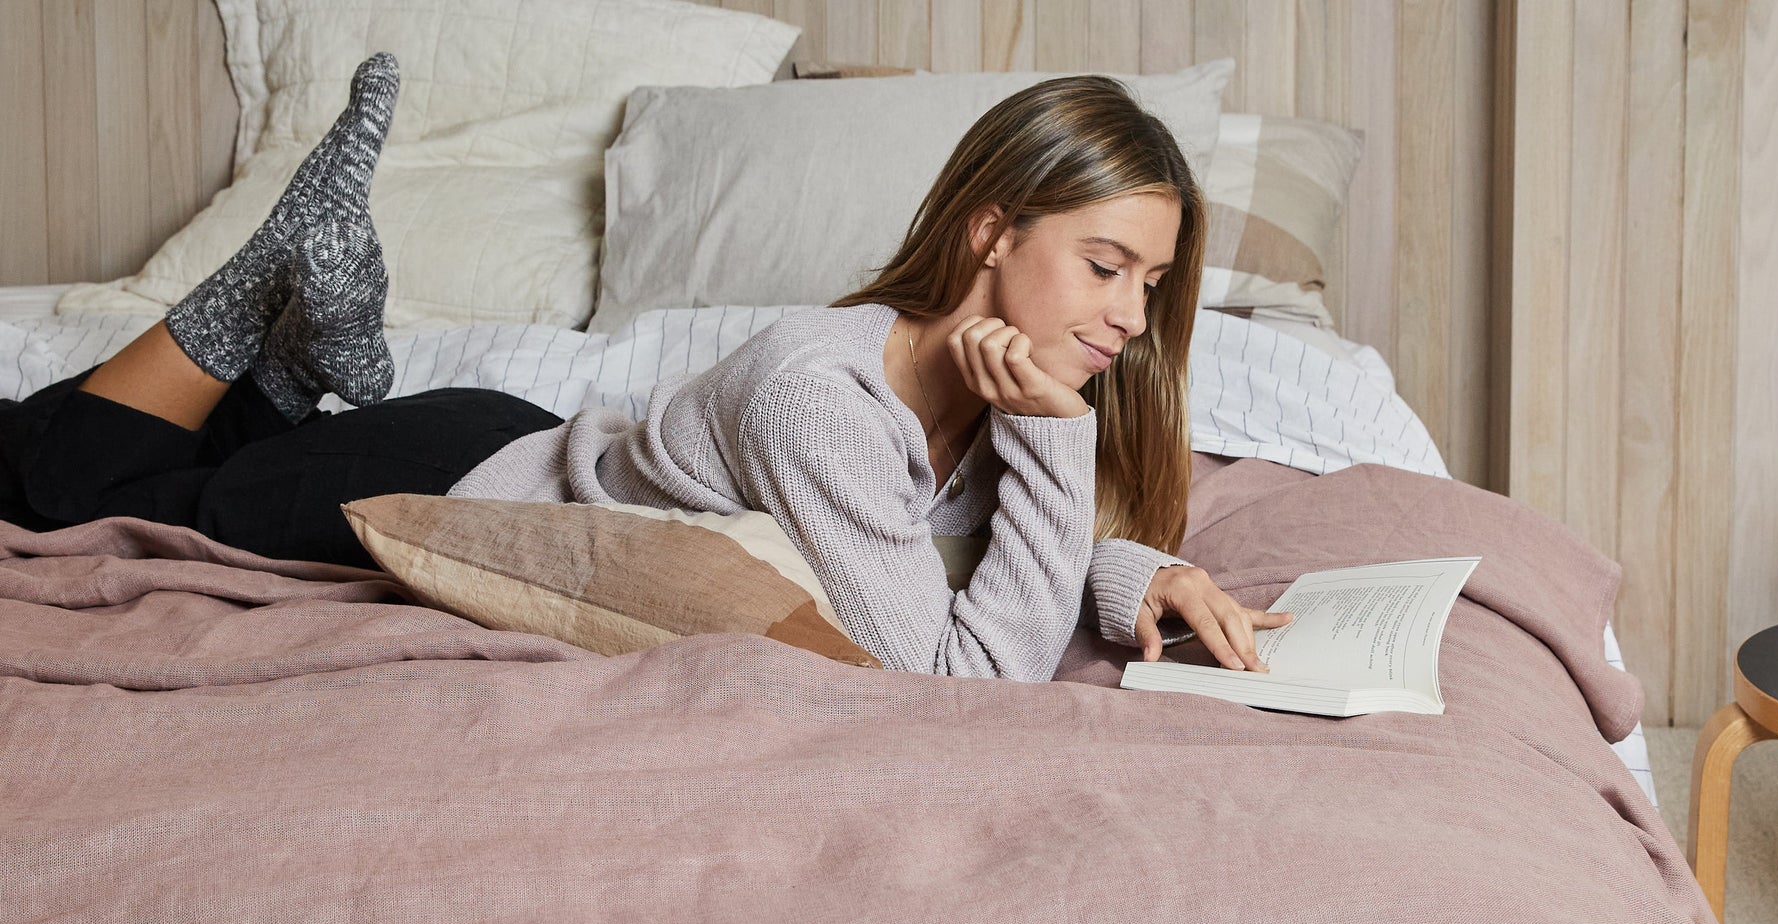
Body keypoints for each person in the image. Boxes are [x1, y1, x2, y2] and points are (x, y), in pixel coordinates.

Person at [0, 64, 1276, 679]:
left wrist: (1138, 572)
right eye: (1105, 266)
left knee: (200, 461)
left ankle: (294, 362)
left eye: (1152, 286)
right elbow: (951, 685)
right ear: (992, 235)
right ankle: (258, 287)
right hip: (452, 478)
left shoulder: (989, 391)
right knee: (56, 491)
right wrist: (1060, 445)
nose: (1127, 317)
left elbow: (962, 555)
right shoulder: (817, 398)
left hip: (516, 443)